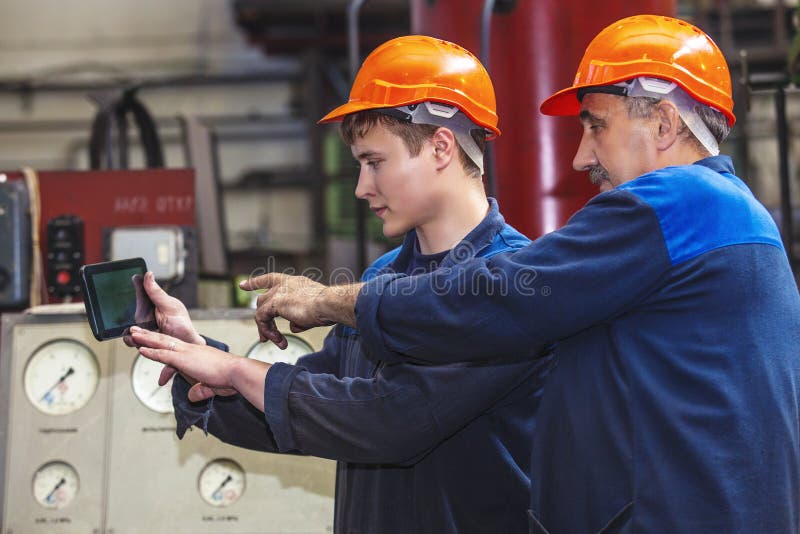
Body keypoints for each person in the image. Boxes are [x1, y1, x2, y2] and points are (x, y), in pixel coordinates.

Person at [241, 15, 800, 533]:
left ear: (662, 122)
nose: (580, 158)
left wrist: (333, 302)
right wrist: (215, 372)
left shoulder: (678, 202)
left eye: (595, 127)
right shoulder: (728, 216)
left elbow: (502, 295)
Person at [130, 35, 552, 533]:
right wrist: (198, 358)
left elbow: (390, 422)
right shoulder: (381, 279)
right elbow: (316, 407)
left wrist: (238, 370)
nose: (360, 187)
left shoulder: (515, 286)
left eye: (375, 162)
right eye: (359, 165)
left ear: (441, 146)